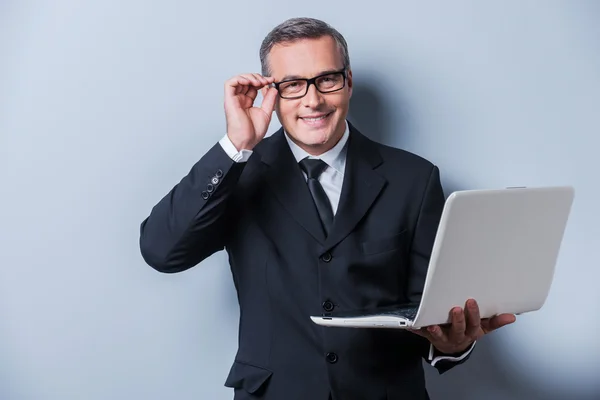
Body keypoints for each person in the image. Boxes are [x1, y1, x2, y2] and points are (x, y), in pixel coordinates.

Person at [139, 17, 516, 400]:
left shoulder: (414, 179)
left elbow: (429, 311)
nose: (313, 100)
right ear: (272, 93)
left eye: (327, 80)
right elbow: (161, 251)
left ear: (347, 82)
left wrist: (451, 344)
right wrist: (236, 144)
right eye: (293, 85)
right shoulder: (239, 175)